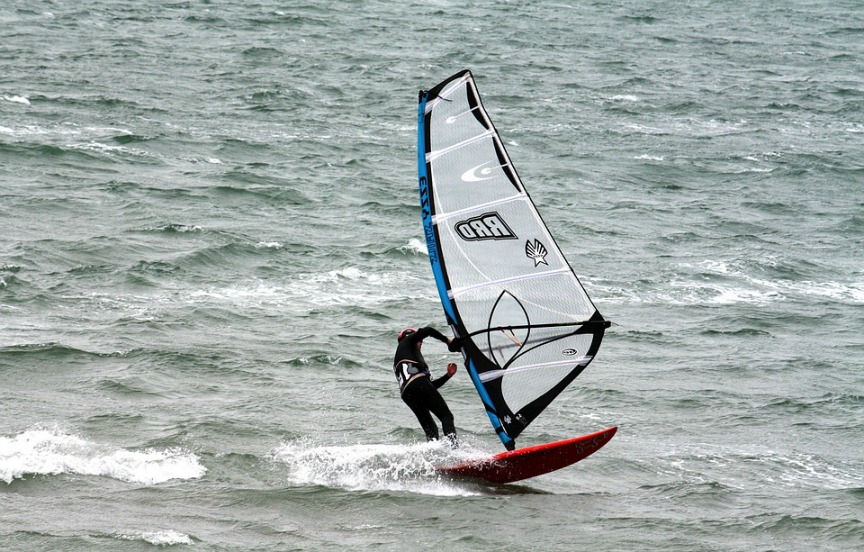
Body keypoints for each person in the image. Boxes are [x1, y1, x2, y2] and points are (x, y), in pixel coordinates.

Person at [392, 327, 461, 445]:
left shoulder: (405, 357)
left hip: (408, 393)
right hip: (417, 385)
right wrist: (447, 341)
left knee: (431, 430)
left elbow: (429, 387)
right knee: (446, 416)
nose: (421, 343)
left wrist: (447, 376)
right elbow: (428, 330)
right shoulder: (407, 342)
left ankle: (432, 458)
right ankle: (455, 450)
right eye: (419, 340)